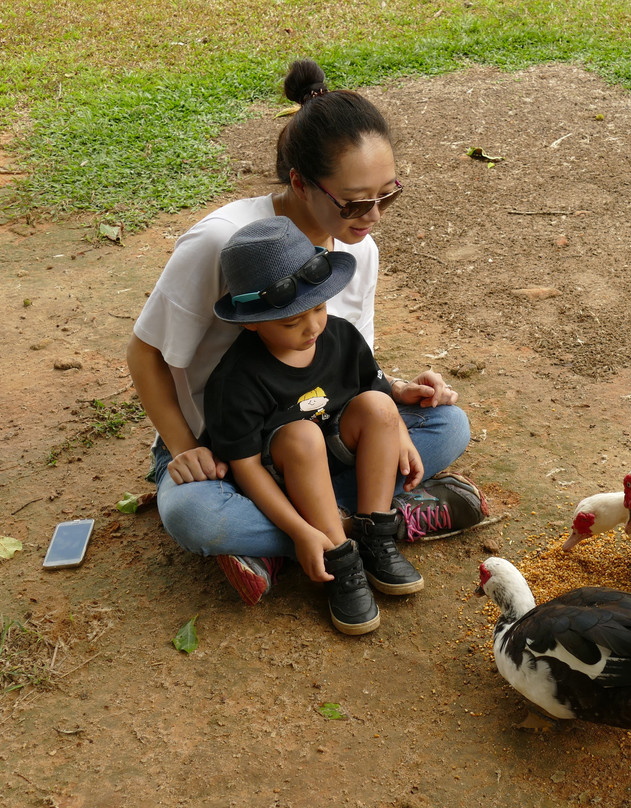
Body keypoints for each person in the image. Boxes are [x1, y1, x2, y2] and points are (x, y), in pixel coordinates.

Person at [126, 58, 488, 607]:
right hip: (230, 446)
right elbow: (144, 353)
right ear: (299, 180)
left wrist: (395, 398)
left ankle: (298, 537)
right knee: (193, 517)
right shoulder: (221, 243)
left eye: (387, 195)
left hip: (324, 423)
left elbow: (350, 357)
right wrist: (182, 447)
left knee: (449, 425)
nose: (373, 217)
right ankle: (372, 524)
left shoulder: (357, 247)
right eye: (354, 201)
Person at [206, 216, 418, 635]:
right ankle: (337, 552)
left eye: (319, 307)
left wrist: (400, 434)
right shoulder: (235, 379)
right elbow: (245, 468)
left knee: (386, 408)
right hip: (284, 470)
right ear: (250, 321)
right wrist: (300, 530)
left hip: (339, 449)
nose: (312, 327)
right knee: (297, 437)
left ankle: (376, 531)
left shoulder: (340, 336)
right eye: (291, 322)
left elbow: (376, 390)